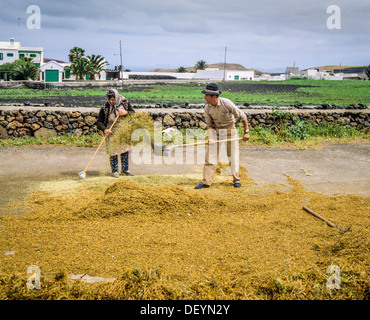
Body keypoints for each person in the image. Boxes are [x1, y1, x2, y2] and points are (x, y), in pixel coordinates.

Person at [195, 83, 250, 189]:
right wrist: (211, 138)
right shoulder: (207, 108)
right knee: (210, 157)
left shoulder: (227, 103)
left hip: (230, 131)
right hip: (216, 132)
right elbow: (209, 125)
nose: (204, 97)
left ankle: (236, 179)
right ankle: (206, 182)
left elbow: (243, 116)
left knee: (232, 156)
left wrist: (246, 132)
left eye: (206, 95)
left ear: (214, 96)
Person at [97, 88, 135, 177]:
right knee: (113, 150)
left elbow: (133, 114)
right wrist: (104, 129)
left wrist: (125, 112)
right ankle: (115, 171)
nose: (111, 101)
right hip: (111, 131)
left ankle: (125, 169)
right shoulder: (105, 108)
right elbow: (99, 121)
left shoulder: (124, 103)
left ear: (116, 98)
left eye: (113, 99)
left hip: (123, 130)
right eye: (109, 99)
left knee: (124, 149)